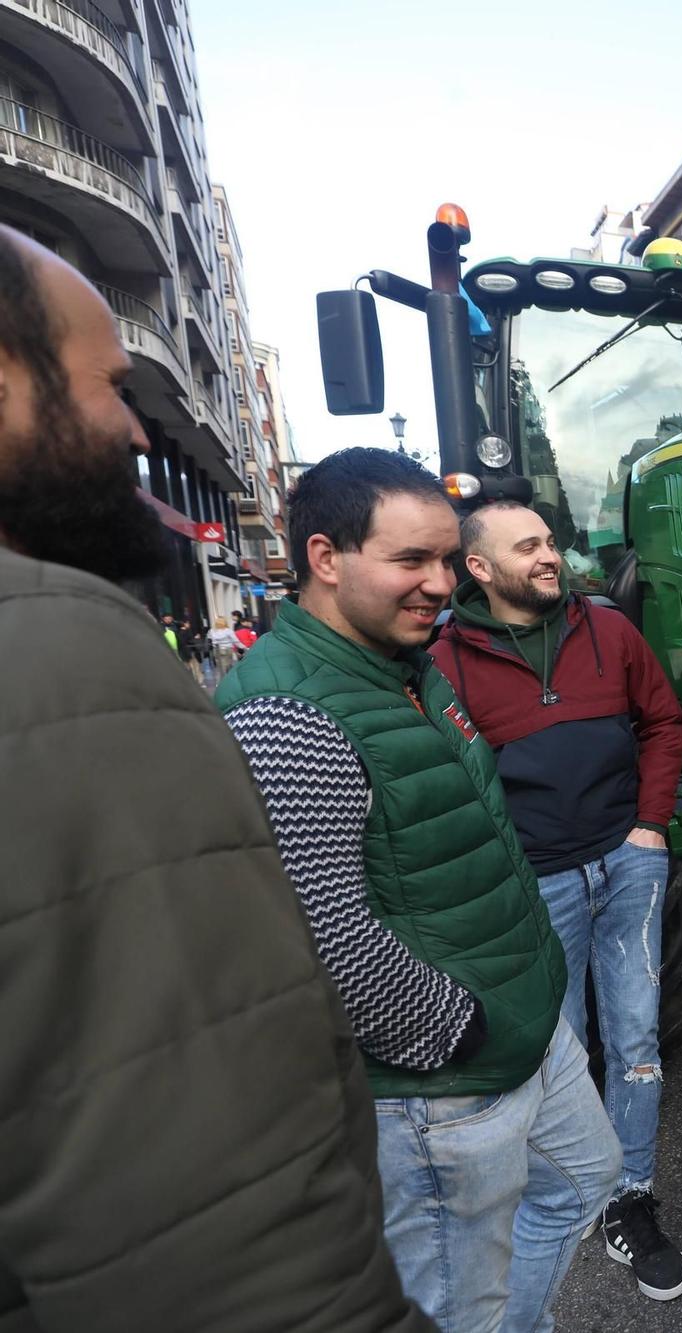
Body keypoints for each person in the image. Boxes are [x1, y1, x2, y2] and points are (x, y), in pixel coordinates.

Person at [0, 226, 430, 1329]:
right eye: (105, 384)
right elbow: (206, 1185)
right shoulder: (65, 656)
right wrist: (447, 1021)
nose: (134, 429)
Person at [217, 448, 616, 1332]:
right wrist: (451, 1027)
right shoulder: (287, 712)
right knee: (448, 1309)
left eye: (446, 559)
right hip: (443, 1075)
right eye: (411, 561)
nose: (440, 583)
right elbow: (315, 939)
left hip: (523, 1020)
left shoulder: (406, 666)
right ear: (325, 557)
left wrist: (528, 989)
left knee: (587, 1180)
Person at [430, 500, 682, 1303]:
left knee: (637, 1040)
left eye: (550, 541)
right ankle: (567, 1193)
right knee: (562, 1058)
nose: (551, 555)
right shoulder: (445, 661)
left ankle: (630, 1198)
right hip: (535, 886)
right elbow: (449, 787)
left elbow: (663, 721)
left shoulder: (609, 630)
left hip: (627, 865)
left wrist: (650, 824)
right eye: (529, 546)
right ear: (479, 567)